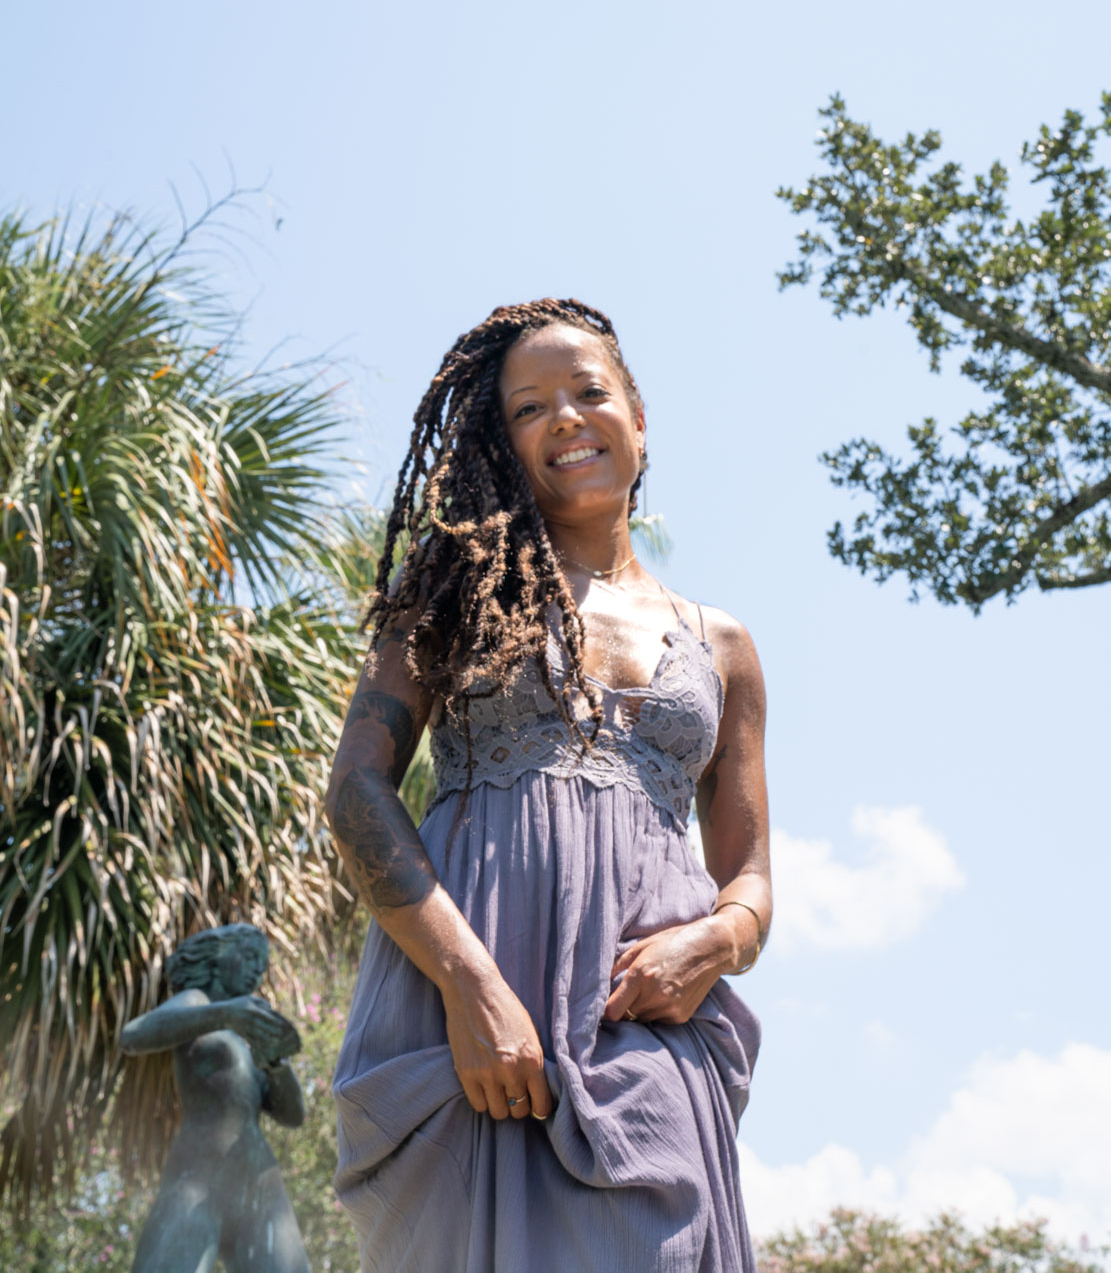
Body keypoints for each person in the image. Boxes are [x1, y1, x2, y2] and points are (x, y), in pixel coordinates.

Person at [326, 298, 770, 1273]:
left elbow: (751, 879)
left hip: (647, 1032)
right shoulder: (449, 598)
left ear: (639, 418)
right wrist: (469, 985)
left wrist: (711, 941)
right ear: (504, 443)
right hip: (467, 1033)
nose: (565, 417)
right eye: (529, 408)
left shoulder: (722, 644)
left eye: (588, 391)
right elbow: (358, 790)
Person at [119, 923, 310, 1273]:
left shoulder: (248, 1037)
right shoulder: (196, 1002)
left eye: (262, 963)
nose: (256, 968)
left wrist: (276, 1063)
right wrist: (225, 1014)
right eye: (249, 956)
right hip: (198, 1178)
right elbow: (133, 1036)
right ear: (217, 961)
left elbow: (294, 1116)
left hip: (258, 1185)